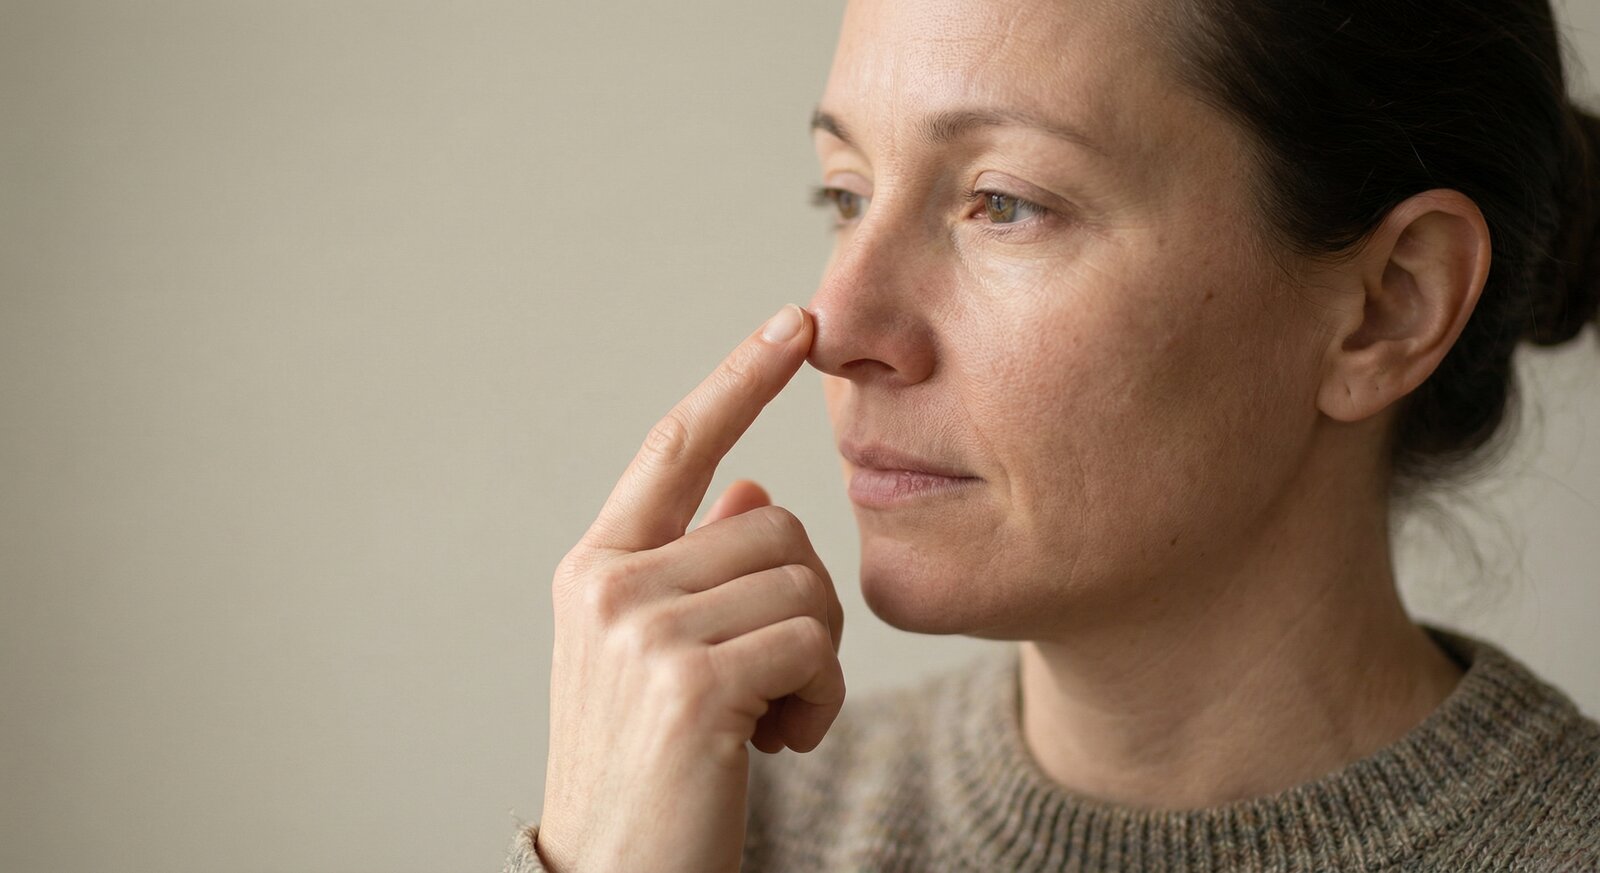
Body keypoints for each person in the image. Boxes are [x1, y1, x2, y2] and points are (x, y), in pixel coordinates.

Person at [509, 0, 1600, 869]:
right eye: (844, 194)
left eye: (1003, 201)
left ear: (1386, 306)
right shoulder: (721, 832)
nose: (837, 329)